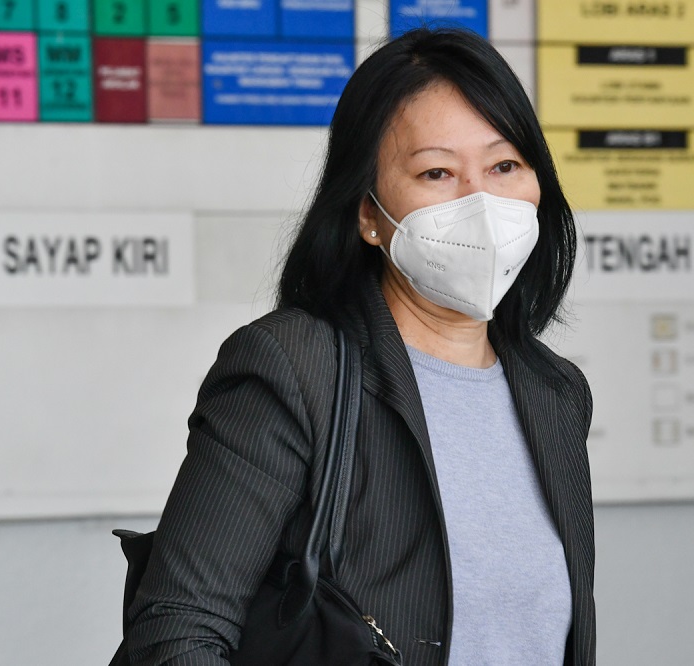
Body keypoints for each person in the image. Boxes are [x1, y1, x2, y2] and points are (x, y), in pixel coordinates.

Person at [127, 27, 595, 666]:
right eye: (436, 172)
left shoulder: (556, 392)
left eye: (505, 165)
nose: (481, 202)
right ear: (368, 214)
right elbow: (176, 634)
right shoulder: (291, 370)